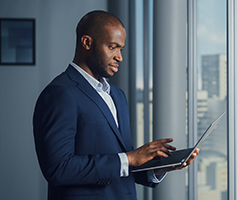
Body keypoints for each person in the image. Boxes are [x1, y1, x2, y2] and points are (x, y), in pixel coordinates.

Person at [33, 10, 198, 200]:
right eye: (112, 47)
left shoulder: (117, 95)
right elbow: (58, 169)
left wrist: (158, 168)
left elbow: (120, 168)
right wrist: (130, 158)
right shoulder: (60, 93)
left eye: (121, 49)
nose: (119, 57)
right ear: (87, 43)